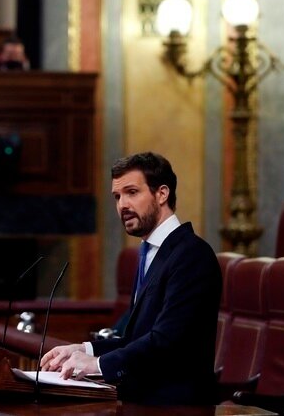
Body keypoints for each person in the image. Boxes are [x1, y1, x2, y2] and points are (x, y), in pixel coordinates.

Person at [40, 152, 222, 405]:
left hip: (176, 407)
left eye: (132, 192)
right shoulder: (149, 252)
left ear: (162, 194)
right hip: (141, 401)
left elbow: (167, 341)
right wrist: (83, 349)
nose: (122, 205)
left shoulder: (192, 254)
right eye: (117, 196)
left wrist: (97, 364)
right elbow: (137, 339)